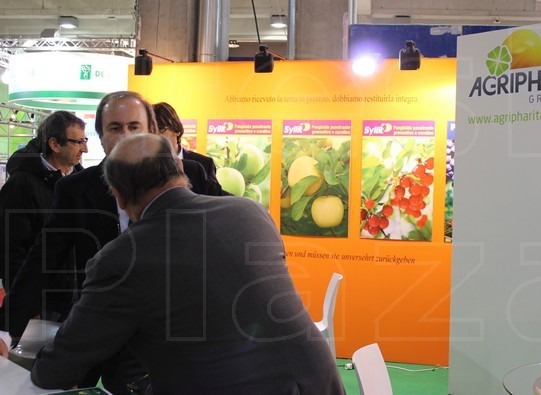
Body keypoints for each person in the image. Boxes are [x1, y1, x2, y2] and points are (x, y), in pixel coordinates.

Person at [31, 133, 346, 394]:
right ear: (181, 168)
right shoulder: (250, 213)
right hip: (320, 384)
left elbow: (59, 368)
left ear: (119, 196)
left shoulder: (121, 258)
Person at [0, 91, 224, 393]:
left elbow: (224, 228)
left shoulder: (190, 174)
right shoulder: (76, 188)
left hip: (169, 333)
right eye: (115, 128)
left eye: (134, 126)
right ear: (101, 137)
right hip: (96, 326)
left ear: (150, 131)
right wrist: (6, 329)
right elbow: (42, 259)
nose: (125, 136)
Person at [0, 111, 86, 289]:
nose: (84, 149)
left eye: (85, 141)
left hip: (79, 293)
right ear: (54, 144)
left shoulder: (81, 182)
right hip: (41, 295)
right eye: (78, 142)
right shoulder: (21, 184)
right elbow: (11, 250)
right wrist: (23, 299)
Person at [153, 101, 217, 177]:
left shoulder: (204, 164)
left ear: (176, 130)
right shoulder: (143, 167)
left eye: (160, 128)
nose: (154, 135)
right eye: (150, 130)